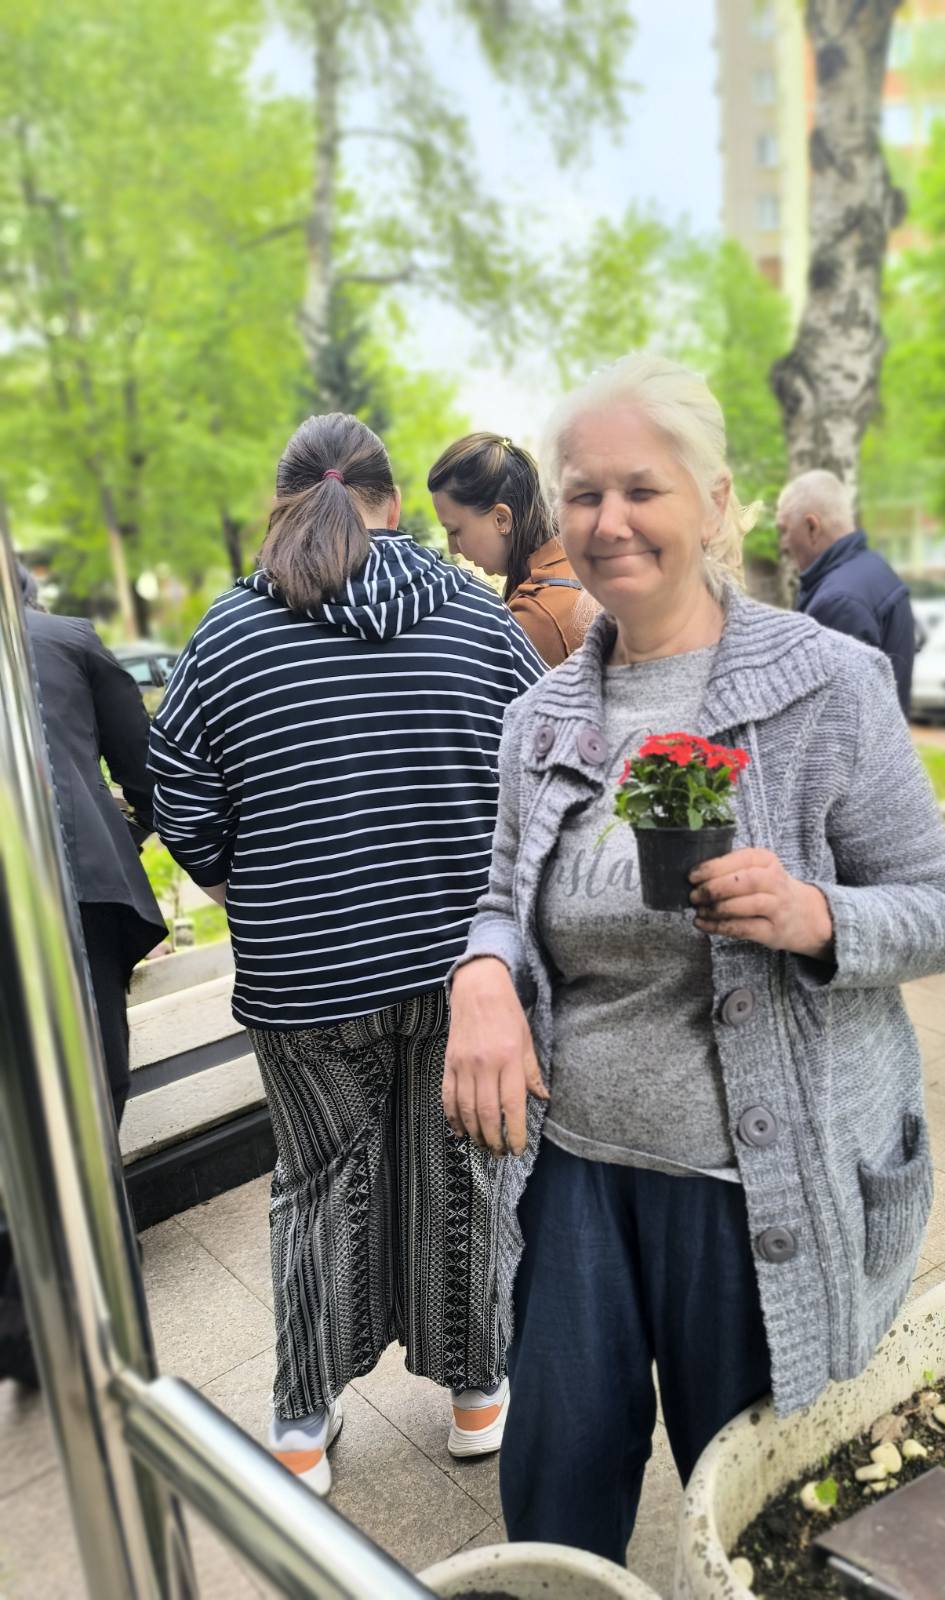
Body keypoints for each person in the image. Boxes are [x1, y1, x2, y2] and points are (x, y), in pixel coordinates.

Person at [443, 355, 945, 1563]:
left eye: (643, 488)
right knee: (555, 1492)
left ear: (716, 500)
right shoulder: (539, 718)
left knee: (756, 1516)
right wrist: (479, 974)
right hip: (573, 1172)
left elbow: (942, 906)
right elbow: (500, 901)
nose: (610, 521)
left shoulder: (829, 685)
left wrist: (816, 916)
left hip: (750, 1189)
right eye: (584, 493)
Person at [149, 412, 544, 1496]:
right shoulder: (476, 614)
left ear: (283, 503)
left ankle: (300, 1426)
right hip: (462, 965)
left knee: (318, 1183)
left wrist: (244, 889)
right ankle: (478, 1397)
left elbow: (176, 789)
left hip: (304, 974)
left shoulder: (228, 634)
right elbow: (545, 762)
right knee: (468, 1167)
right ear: (396, 504)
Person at [1, 562, 167, 1389]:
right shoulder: (67, 641)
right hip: (77, 886)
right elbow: (145, 770)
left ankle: (28, 1290)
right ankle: (89, 1257)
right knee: (94, 1065)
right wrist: (125, 836)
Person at [429, 431, 594, 666]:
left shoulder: (536, 618)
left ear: (502, 520)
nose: (452, 548)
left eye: (455, 531)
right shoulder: (586, 561)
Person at [776, 469, 917, 714]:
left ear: (812, 527)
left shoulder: (837, 602)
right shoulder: (876, 571)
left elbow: (829, 716)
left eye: (784, 530)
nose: (783, 544)